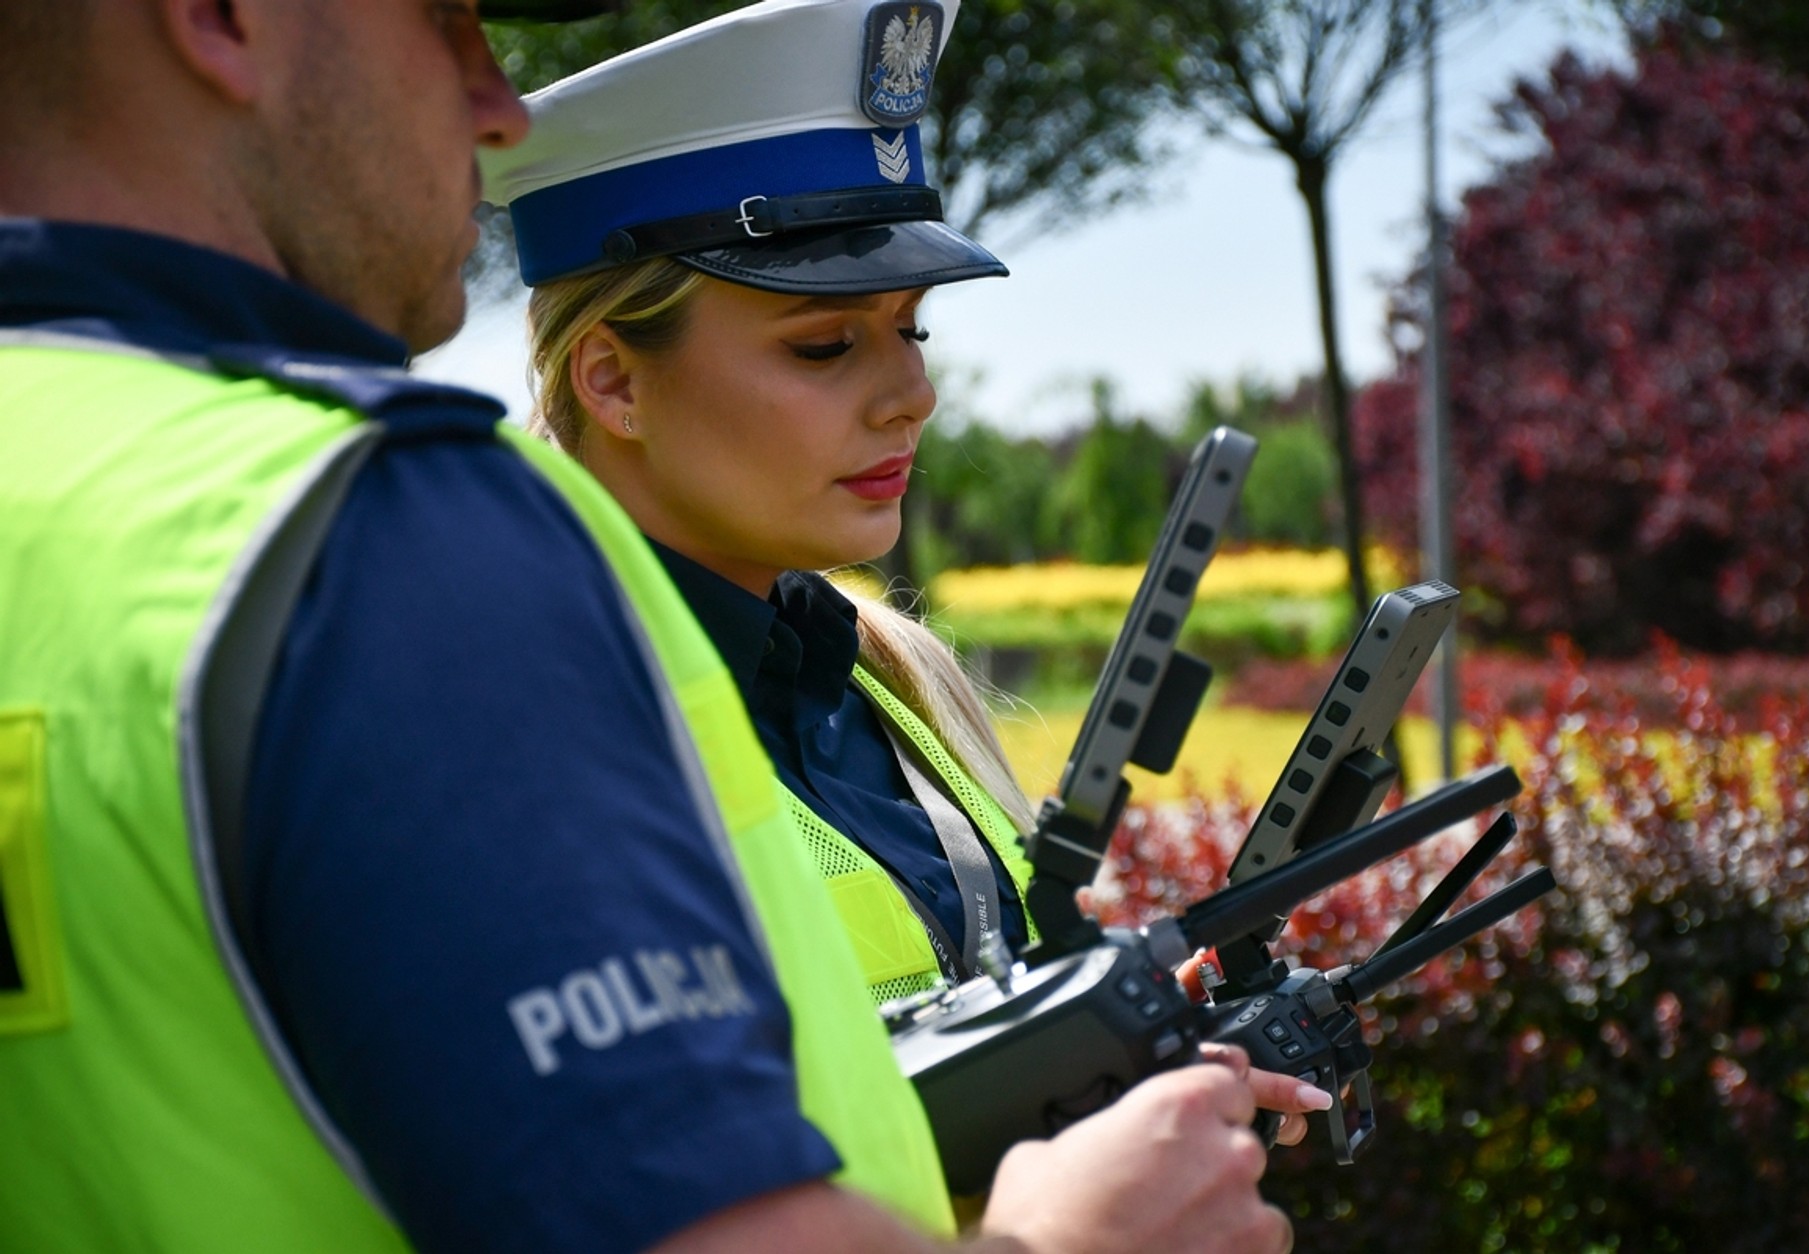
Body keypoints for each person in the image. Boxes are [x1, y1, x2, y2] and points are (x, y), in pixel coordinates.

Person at [0, 2, 1312, 1252]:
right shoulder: (367, 533)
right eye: (441, 14)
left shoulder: (67, 480)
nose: (495, 100)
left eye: (911, 329)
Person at [486, 0, 1040, 1009]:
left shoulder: (896, 683)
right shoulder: (515, 742)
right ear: (611, 382)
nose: (912, 397)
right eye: (823, 345)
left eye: (910, 332)